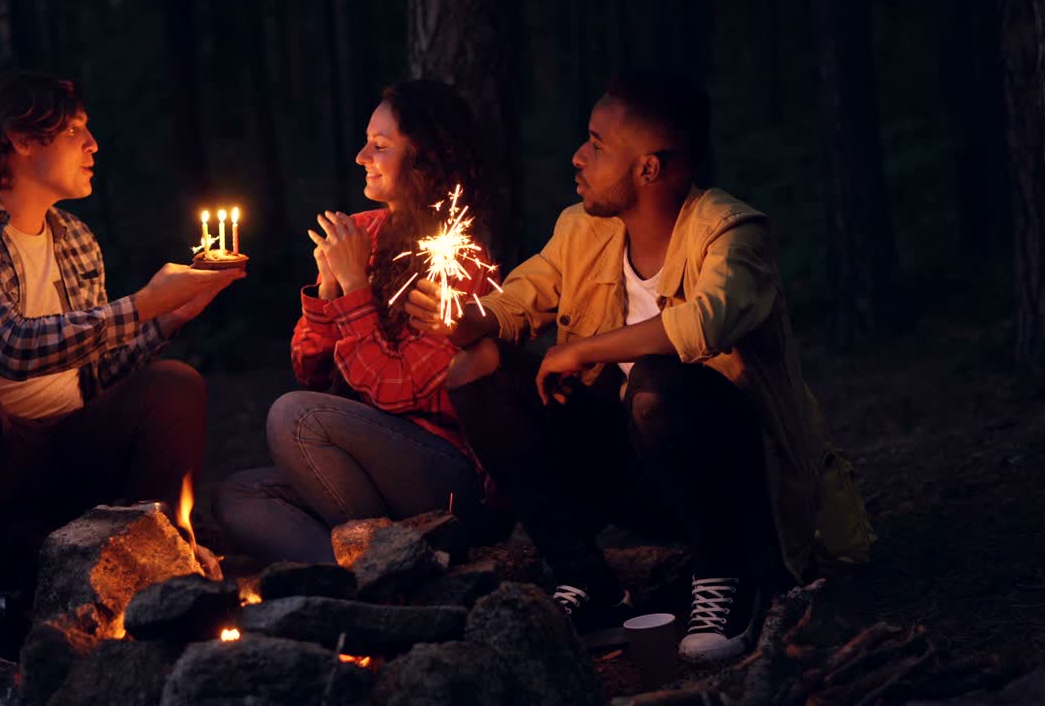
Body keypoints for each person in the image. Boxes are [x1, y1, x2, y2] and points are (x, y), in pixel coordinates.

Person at [407, 70, 875, 662]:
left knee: (657, 385)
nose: (578, 157)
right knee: (479, 367)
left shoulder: (732, 232)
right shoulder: (583, 228)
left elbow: (704, 322)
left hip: (738, 483)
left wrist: (580, 350)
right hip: (638, 476)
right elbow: (522, 295)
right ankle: (584, 577)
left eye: (598, 145)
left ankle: (724, 579)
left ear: (649, 167)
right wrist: (474, 320)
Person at [0, 72, 244, 665]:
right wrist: (142, 304)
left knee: (173, 385)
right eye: (75, 130)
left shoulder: (76, 240)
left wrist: (168, 319)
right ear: (22, 140)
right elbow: (9, 346)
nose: (94, 145)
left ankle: (151, 577)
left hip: (69, 446)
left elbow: (96, 370)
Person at [218, 80, 504, 563]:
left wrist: (354, 289)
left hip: (445, 473)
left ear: (426, 160)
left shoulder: (460, 261)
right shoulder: (364, 230)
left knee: (297, 416)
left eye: (381, 146)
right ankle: (364, 571)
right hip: (357, 458)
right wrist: (329, 289)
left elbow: (396, 390)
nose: (360, 156)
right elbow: (311, 371)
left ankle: (396, 557)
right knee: (239, 496)